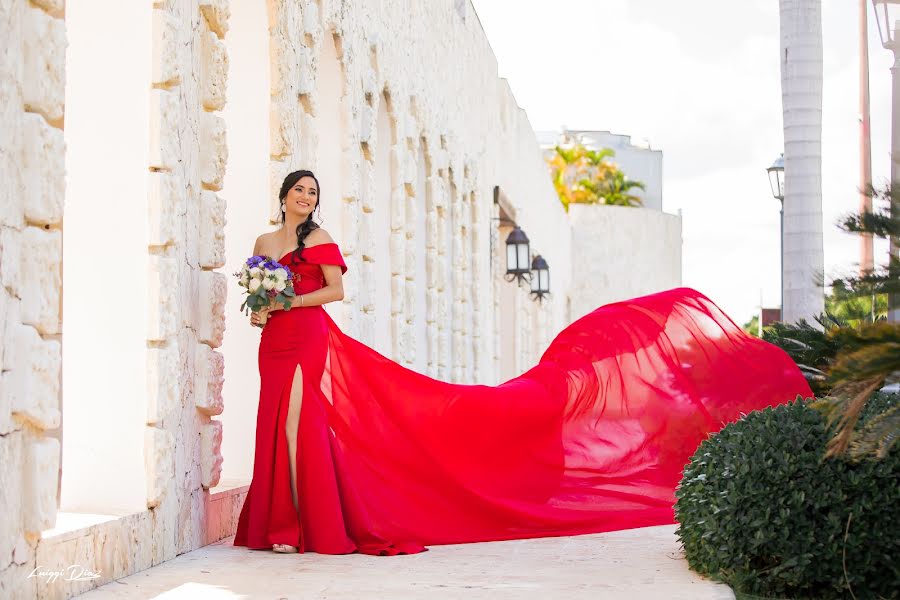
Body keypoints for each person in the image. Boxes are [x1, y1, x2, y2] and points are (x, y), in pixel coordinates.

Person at [233, 169, 812, 556]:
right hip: (274, 341)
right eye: (299, 192)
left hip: (309, 333)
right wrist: (264, 309)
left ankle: (299, 526)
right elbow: (261, 296)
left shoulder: (320, 238)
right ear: (283, 195)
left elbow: (334, 292)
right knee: (271, 420)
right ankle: (274, 522)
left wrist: (291, 299)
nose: (306, 200)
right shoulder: (265, 243)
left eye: (313, 193)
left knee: (300, 425)